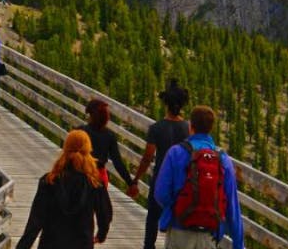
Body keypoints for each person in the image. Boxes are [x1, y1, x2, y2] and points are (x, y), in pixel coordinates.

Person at [154, 106, 244, 249]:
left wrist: (177, 208)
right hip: (209, 234)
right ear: (211, 128)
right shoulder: (222, 159)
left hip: (180, 229)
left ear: (191, 126)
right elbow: (232, 206)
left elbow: (161, 194)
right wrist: (238, 244)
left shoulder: (176, 152)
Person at [17, 130, 112, 249]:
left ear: (65, 149)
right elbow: (105, 214)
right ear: (88, 150)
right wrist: (101, 234)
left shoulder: (49, 181)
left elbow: (35, 222)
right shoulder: (95, 184)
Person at [132, 79, 191, 249]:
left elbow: (147, 157)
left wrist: (136, 179)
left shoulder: (156, 128)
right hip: (182, 180)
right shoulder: (188, 128)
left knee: (152, 218)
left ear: (165, 104)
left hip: (160, 178)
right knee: (179, 219)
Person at [76, 99, 137, 198]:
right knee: (100, 209)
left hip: (82, 175)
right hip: (100, 176)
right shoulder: (110, 136)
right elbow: (118, 163)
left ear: (90, 116)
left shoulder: (80, 131)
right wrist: (130, 183)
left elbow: (69, 155)